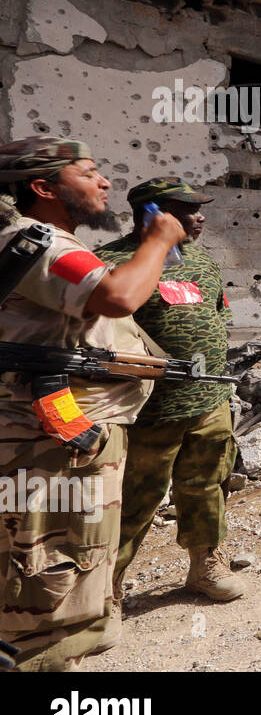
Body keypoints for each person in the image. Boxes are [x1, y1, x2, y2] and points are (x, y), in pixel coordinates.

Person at [0, 137, 187, 671]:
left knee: (72, 577)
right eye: (88, 173)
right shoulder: (39, 243)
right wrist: (157, 239)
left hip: (57, 439)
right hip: (42, 447)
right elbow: (119, 295)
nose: (105, 182)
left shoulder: (42, 242)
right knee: (46, 591)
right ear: (43, 187)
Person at [95, 179, 244, 650]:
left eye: (201, 210)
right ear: (151, 212)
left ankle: (204, 566)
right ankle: (105, 594)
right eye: (188, 210)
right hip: (146, 414)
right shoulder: (114, 263)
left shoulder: (202, 261)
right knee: (133, 504)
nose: (200, 218)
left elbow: (220, 315)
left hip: (207, 404)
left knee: (206, 488)